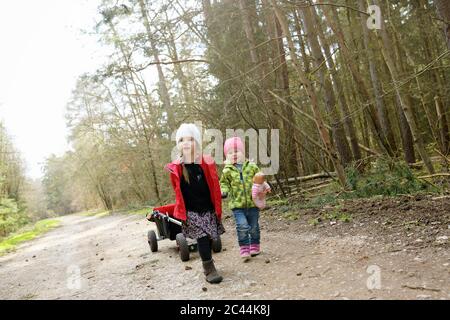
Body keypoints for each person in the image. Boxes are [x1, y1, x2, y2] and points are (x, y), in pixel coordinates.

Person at [164, 123, 225, 284]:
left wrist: (217, 204)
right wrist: (182, 212)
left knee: (211, 236)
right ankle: (209, 268)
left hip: (207, 209)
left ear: (196, 143)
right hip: (191, 211)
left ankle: (208, 258)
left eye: (190, 139)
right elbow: (177, 191)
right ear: (178, 144)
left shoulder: (205, 163)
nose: (185, 143)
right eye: (182, 139)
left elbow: (214, 185)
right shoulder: (177, 168)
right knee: (202, 237)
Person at [219, 137, 262, 262]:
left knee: (254, 227)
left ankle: (255, 245)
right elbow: (224, 183)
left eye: (237, 151)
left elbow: (259, 178)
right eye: (230, 153)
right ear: (227, 156)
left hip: (253, 203)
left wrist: (262, 187)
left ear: (243, 152)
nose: (234, 154)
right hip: (237, 205)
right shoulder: (227, 170)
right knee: (242, 226)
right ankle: (244, 248)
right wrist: (224, 191)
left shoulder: (252, 166)